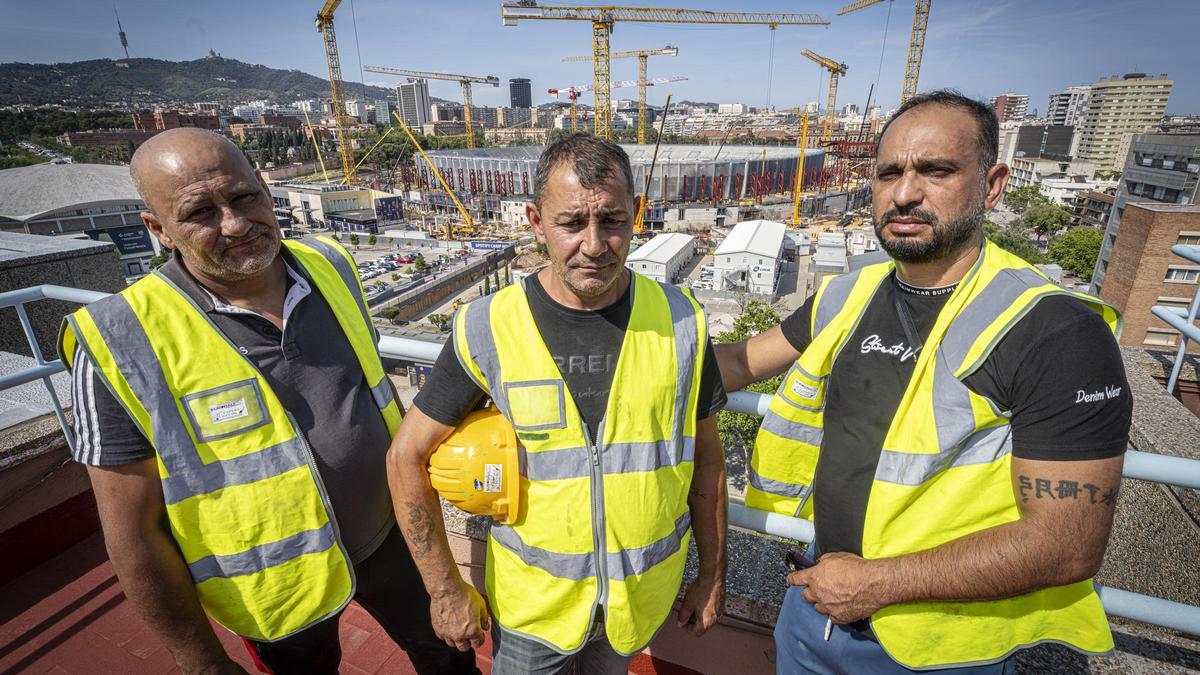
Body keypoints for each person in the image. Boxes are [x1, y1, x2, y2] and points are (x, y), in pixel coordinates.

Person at [716, 91, 1131, 674]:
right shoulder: (848, 294)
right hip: (814, 608)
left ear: (992, 185)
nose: (906, 193)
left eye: (936, 170)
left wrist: (874, 584)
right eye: (890, 173)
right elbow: (740, 362)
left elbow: (1066, 544)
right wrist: (632, 363)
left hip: (941, 643)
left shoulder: (1055, 331)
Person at [58, 128, 476, 675]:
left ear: (264, 186)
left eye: (243, 197)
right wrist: (201, 661)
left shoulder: (330, 266)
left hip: (389, 533)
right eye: (200, 212)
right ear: (158, 230)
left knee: (447, 656)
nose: (233, 224)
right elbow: (134, 537)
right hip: (276, 583)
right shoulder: (119, 340)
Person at [387, 133, 728, 674]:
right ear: (534, 220)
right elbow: (406, 458)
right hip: (532, 614)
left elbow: (707, 459)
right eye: (571, 223)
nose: (593, 245)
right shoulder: (487, 328)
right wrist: (445, 590)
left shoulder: (682, 321)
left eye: (612, 221)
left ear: (636, 215)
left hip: (633, 608)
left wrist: (711, 577)